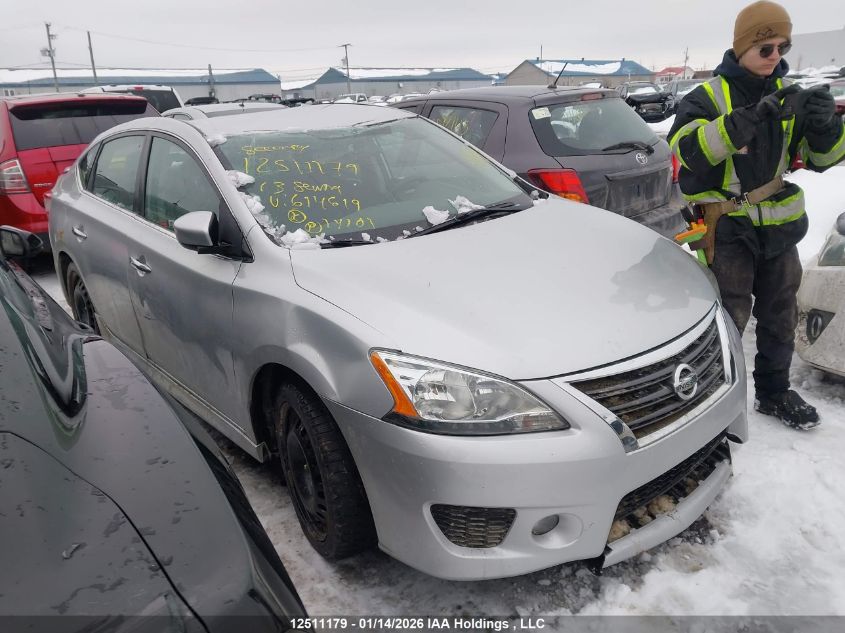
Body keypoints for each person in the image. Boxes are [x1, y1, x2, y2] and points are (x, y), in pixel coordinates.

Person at [667, 0, 845, 430]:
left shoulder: (791, 95)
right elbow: (686, 152)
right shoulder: (706, 97)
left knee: (781, 314)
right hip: (727, 228)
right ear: (743, 46)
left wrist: (826, 127)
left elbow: (824, 158)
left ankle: (773, 392)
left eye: (783, 47)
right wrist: (748, 119)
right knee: (729, 319)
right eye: (767, 48)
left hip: (780, 228)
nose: (776, 57)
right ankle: (715, 402)